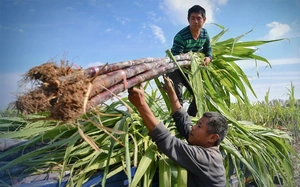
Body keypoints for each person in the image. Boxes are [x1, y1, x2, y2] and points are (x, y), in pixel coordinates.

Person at [128, 76, 228, 187]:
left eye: (199, 126)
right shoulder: (204, 144)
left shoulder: (207, 159)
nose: (193, 127)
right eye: (196, 123)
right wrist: (171, 92)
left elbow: (167, 141)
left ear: (213, 138)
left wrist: (141, 105)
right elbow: (183, 120)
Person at [167, 5, 212, 117]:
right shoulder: (181, 36)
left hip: (190, 69)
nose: (195, 21)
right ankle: (179, 122)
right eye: (192, 18)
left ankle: (189, 119)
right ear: (188, 20)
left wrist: (208, 57)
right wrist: (190, 63)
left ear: (204, 20)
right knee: (178, 97)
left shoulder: (205, 34)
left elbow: (208, 49)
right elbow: (177, 57)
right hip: (175, 68)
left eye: (199, 18)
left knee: (199, 95)